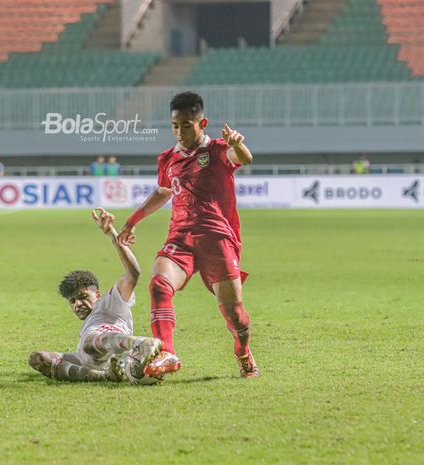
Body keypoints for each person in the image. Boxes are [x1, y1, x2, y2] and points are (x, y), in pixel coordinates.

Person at [117, 91, 259, 378]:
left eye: (186, 125)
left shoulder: (218, 150)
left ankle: (243, 352)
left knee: (235, 315)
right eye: (175, 126)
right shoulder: (168, 159)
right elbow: (162, 192)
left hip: (217, 238)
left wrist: (238, 144)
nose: (180, 132)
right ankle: (168, 352)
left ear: (202, 123)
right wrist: (132, 221)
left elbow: (244, 158)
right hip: (180, 237)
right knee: (159, 285)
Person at [28, 208, 164, 382]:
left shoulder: (109, 304)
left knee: (89, 343)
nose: (77, 304)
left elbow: (133, 273)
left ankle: (140, 344)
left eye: (83, 296)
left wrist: (112, 235)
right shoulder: (90, 320)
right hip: (90, 359)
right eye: (73, 301)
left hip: (114, 351)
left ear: (98, 294)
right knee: (38, 358)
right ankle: (106, 376)